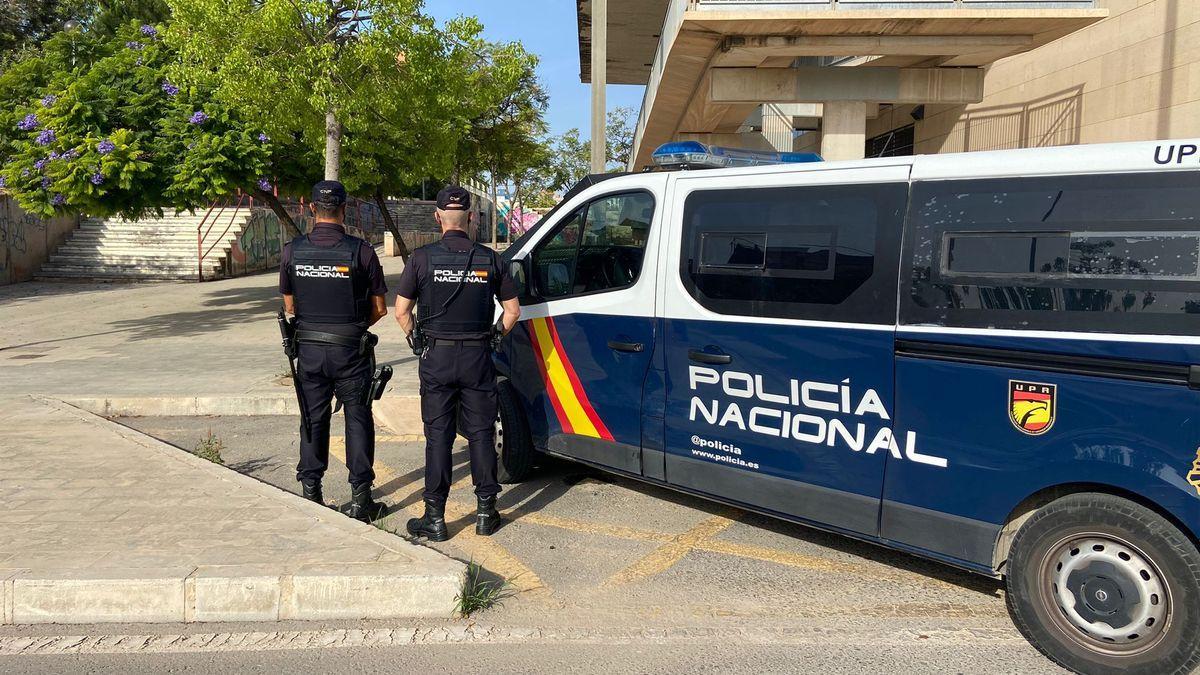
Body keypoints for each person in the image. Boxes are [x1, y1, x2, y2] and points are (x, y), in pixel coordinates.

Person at [394, 186, 521, 540]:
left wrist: (416, 338)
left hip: (437, 356)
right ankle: (485, 512)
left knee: (438, 437)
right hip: (478, 357)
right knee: (480, 433)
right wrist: (495, 337)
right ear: (470, 218)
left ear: (437, 217)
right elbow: (512, 311)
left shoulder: (421, 259)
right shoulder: (491, 259)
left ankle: (434, 517)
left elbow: (401, 311)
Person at [280, 180, 388, 522]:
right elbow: (381, 307)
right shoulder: (362, 251)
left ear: (312, 209)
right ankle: (361, 501)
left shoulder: (292, 251)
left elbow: (290, 305)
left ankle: (311, 493)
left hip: (310, 350)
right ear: (343, 210)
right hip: (350, 351)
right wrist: (355, 327)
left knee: (313, 420)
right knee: (357, 420)